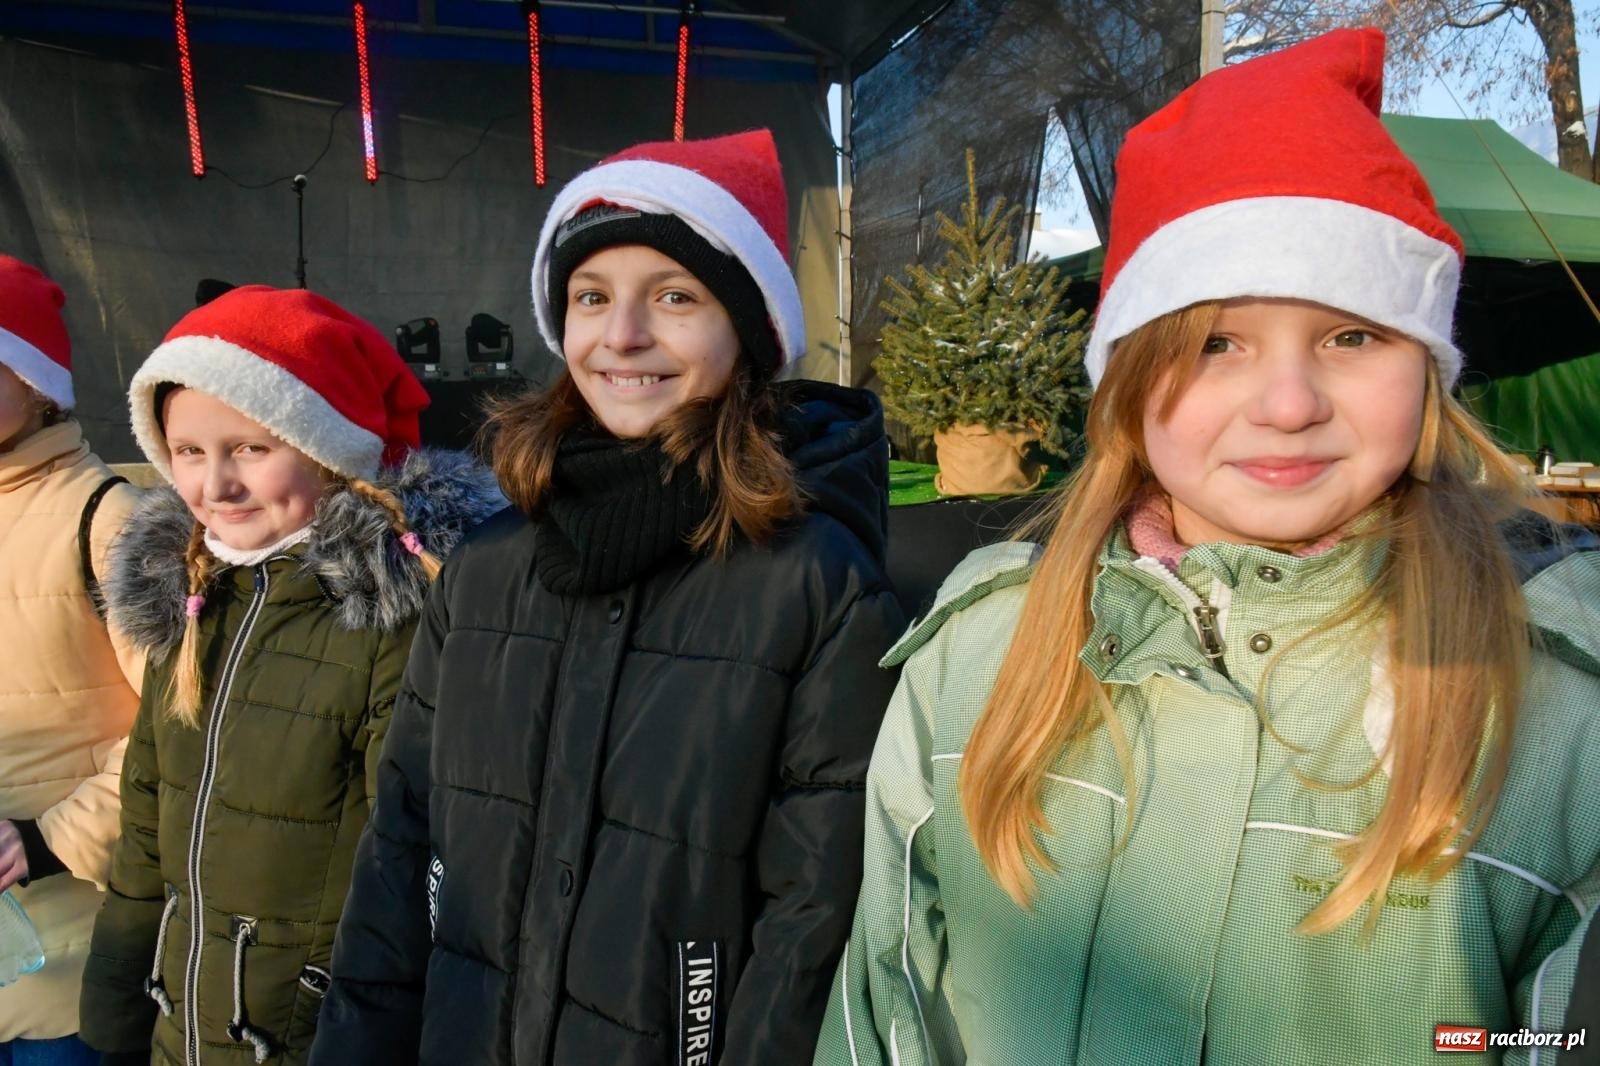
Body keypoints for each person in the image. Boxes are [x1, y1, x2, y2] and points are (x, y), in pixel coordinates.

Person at [814, 29, 1600, 1066]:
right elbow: (886, 1004)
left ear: (1426, 369)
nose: (1286, 405)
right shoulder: (979, 648)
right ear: (1131, 384)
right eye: (1216, 342)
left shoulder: (1555, 710)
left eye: (1350, 335)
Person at [309, 129, 906, 1066]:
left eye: (674, 296)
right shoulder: (490, 565)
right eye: (592, 298)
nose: (622, 335)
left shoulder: (816, 583)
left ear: (745, 331)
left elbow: (815, 916)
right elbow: (403, 835)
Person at [76, 286, 505, 1066]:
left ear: (325, 448)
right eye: (188, 452)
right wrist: (112, 1016)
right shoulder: (194, 595)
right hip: (185, 1027)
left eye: (249, 448)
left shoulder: (390, 621)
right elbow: (145, 824)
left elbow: (416, 864)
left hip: (307, 1033)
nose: (214, 486)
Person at [0, 256, 143, 1066]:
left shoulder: (108, 519)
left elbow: (182, 727)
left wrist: (46, 839)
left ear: (36, 381)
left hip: (68, 979)